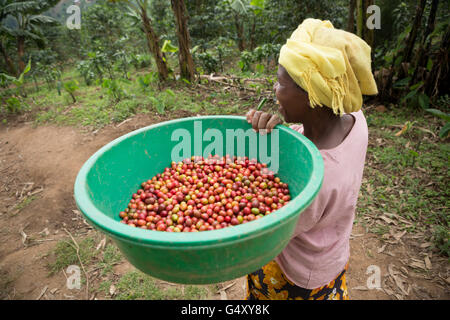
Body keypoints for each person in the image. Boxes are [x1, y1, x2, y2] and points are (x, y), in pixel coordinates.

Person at [245, 18, 378, 300]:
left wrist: (255, 152)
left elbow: (265, 231)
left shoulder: (316, 179)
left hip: (294, 276)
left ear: (311, 97)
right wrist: (278, 133)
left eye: (280, 84)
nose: (274, 91)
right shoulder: (354, 118)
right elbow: (307, 137)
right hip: (330, 258)